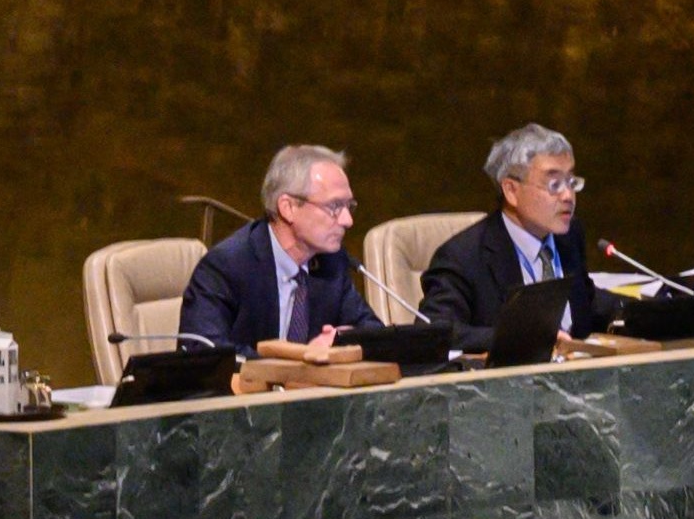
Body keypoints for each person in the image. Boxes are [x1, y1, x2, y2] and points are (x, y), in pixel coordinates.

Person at [419, 123, 621, 338]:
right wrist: (523, 338)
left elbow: (587, 303)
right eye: (554, 184)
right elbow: (435, 334)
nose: (568, 196)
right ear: (511, 190)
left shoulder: (569, 236)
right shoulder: (462, 257)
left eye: (571, 182)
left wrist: (649, 309)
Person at [177, 142, 384, 351]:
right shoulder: (226, 266)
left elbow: (375, 334)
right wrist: (294, 362)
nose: (347, 220)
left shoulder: (332, 263)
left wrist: (341, 338)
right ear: (288, 208)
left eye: (349, 206)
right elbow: (203, 351)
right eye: (334, 206)